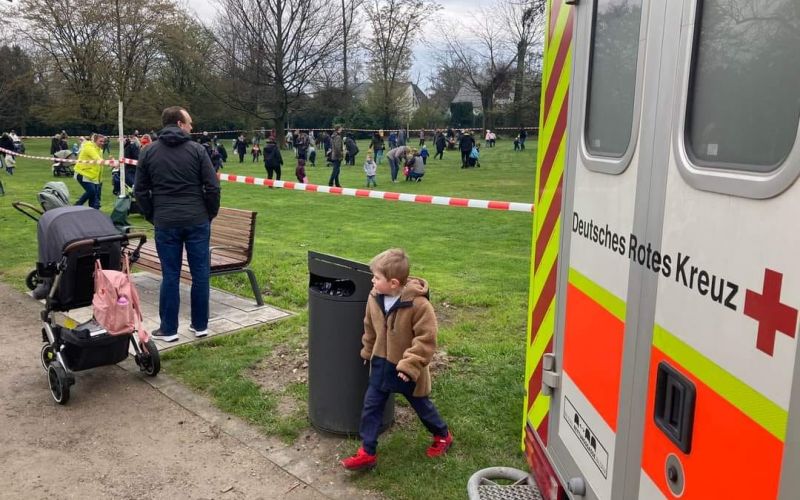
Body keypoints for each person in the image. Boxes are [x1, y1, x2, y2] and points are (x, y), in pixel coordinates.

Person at [340, 248, 452, 471]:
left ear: (393, 282)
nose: (372, 280)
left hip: (406, 368)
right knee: (371, 407)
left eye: (376, 277)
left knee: (421, 405)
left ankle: (442, 435)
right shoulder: (374, 297)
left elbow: (426, 339)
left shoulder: (419, 305)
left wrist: (410, 365)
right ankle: (367, 452)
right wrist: (367, 351)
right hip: (381, 363)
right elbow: (370, 327)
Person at [134, 106, 220, 342]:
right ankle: (200, 324)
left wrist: (154, 214)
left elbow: (140, 191)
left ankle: (169, 329)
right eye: (190, 123)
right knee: (200, 273)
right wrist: (208, 213)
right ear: (180, 124)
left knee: (170, 274)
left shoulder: (148, 152)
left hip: (167, 221)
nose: (192, 127)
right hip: (196, 219)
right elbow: (212, 186)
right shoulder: (197, 151)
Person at [74, 133, 106, 209]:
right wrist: (101, 160)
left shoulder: (99, 149)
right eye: (100, 141)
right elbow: (96, 157)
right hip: (83, 173)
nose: (102, 143)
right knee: (91, 191)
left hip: (93, 176)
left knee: (94, 195)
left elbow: (99, 164)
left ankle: (93, 210)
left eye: (103, 141)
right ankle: (77, 205)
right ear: (95, 141)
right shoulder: (89, 147)